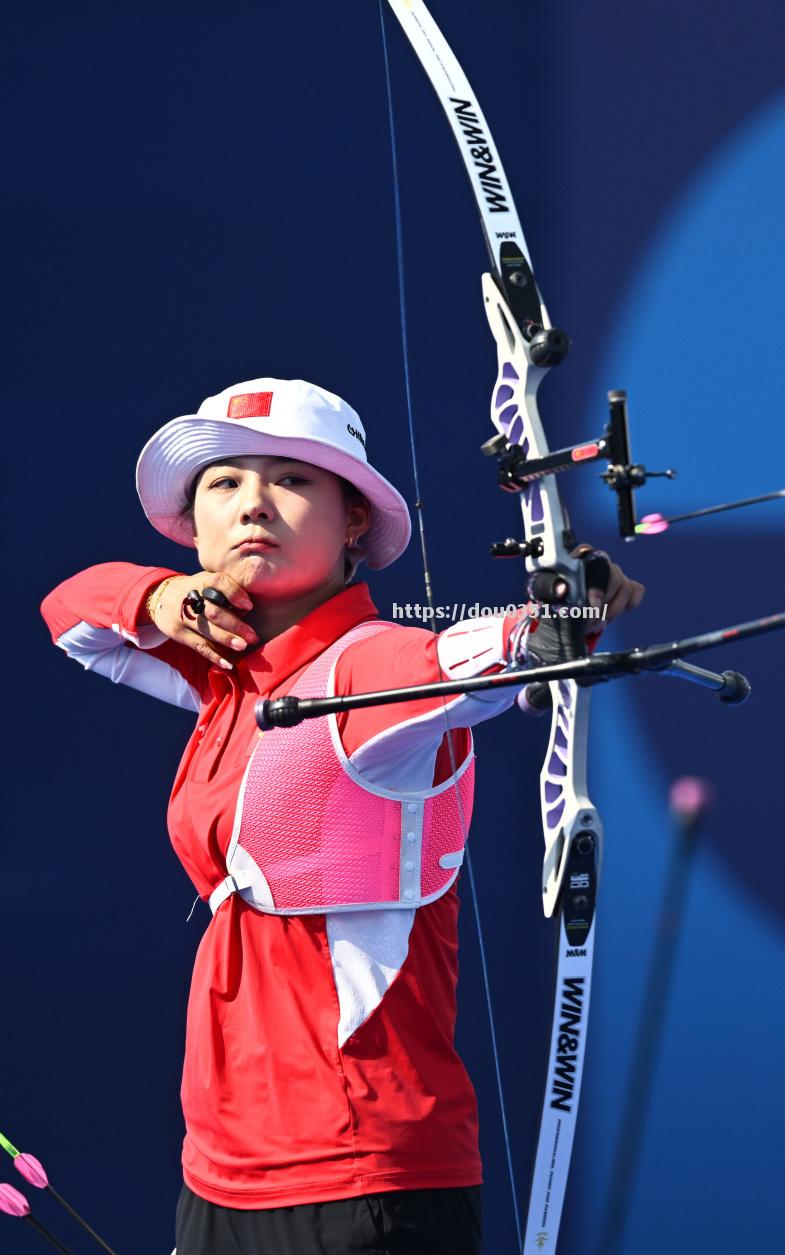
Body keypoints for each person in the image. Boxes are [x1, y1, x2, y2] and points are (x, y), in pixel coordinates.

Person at [40, 377, 644, 1255]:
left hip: (364, 1178)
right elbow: (71, 615)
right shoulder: (225, 674)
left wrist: (561, 616)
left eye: (292, 480)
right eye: (224, 481)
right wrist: (158, 598)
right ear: (196, 525)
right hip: (219, 1170)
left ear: (353, 519)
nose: (254, 503)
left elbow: (459, 661)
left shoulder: (368, 671)